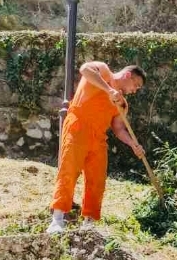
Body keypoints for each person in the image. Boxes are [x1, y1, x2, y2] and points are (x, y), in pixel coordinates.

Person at [47, 62, 147, 234]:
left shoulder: (122, 104)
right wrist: (109, 90)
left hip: (99, 137)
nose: (135, 90)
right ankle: (57, 219)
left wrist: (133, 145)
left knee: (97, 179)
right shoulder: (103, 71)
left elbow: (119, 128)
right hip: (78, 126)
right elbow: (85, 69)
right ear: (128, 75)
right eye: (136, 85)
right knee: (69, 171)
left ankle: (89, 222)